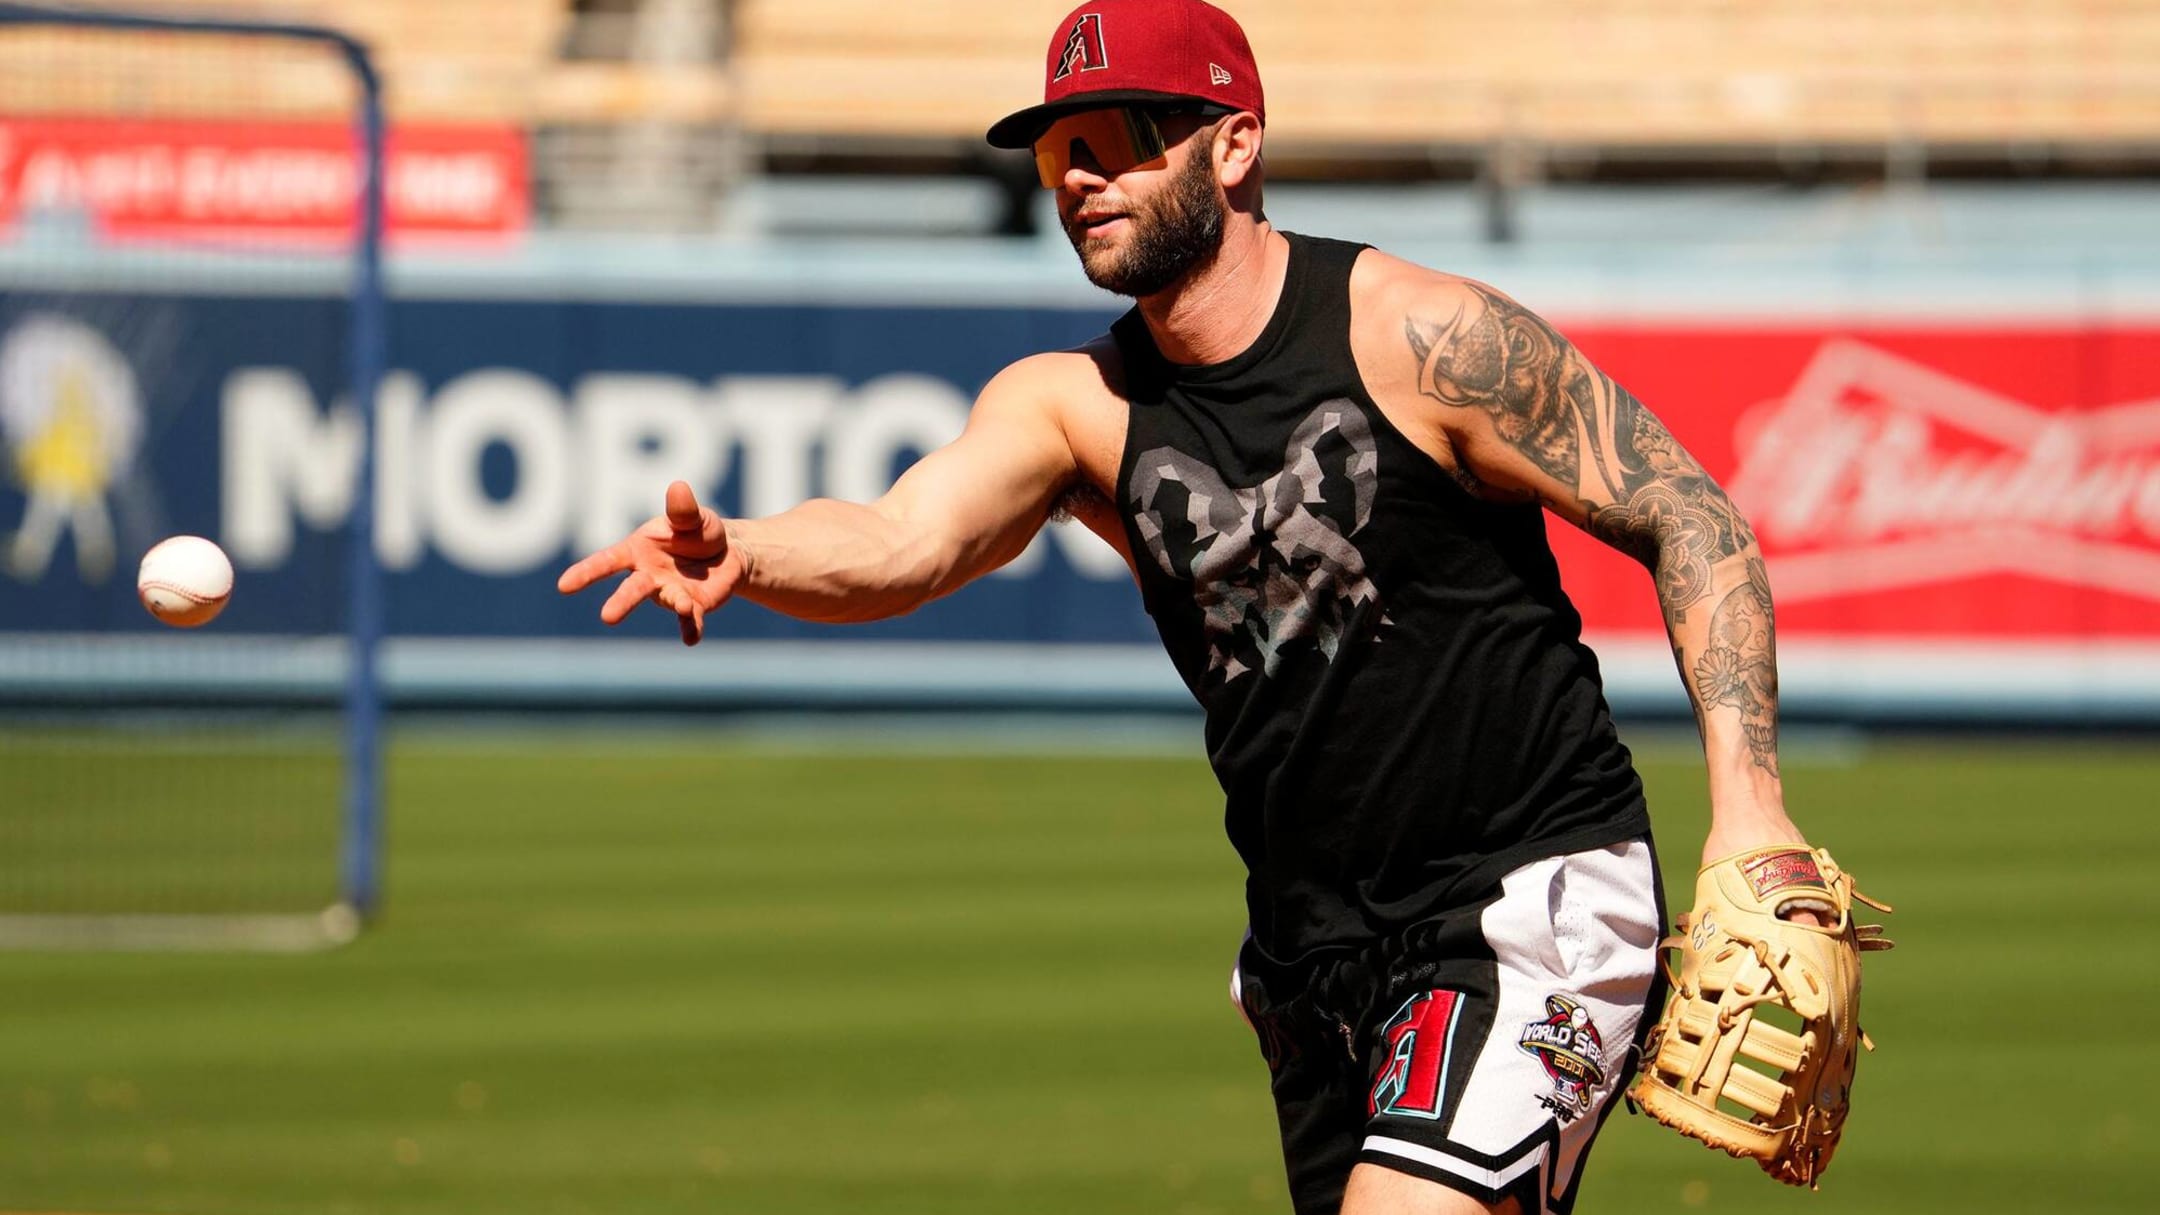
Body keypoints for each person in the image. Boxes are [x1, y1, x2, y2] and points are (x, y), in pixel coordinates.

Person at [558, 2, 1816, 1212]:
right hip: (1311, 955)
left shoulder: (1417, 334)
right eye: (1059, 150)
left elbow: (1687, 513)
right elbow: (905, 536)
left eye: (1120, 137)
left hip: (1523, 895)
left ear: (1234, 143)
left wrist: (1750, 812)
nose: (1080, 176)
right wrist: (752, 552)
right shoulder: (1077, 405)